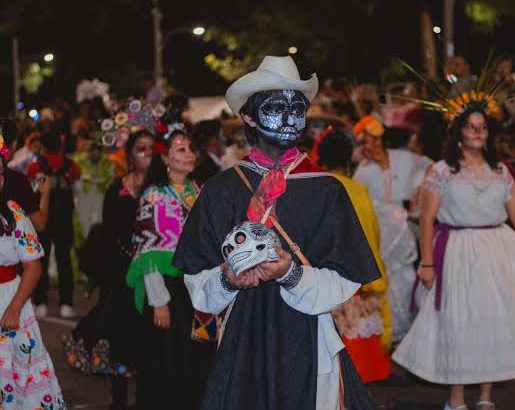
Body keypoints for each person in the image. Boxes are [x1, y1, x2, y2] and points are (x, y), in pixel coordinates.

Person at [174, 55, 379, 409]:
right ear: (249, 116)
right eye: (274, 107)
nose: (289, 118)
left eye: (297, 107)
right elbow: (196, 281)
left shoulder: (326, 189)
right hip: (243, 342)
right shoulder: (220, 190)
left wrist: (291, 273)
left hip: (309, 341)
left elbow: (345, 281)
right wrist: (228, 279)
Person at [393, 108, 515, 410]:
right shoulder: (443, 170)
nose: (477, 132)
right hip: (460, 249)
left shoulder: (500, 171)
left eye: (482, 127)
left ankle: (486, 395)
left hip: (499, 248)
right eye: (471, 127)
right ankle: (456, 397)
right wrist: (427, 262)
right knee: (460, 322)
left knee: (493, 322)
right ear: (458, 132)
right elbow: (428, 218)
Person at [63, 130, 155, 409]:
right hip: (122, 272)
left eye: (152, 149)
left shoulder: (162, 188)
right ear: (129, 155)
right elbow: (108, 232)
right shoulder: (117, 188)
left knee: (148, 337)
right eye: (141, 148)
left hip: (155, 272)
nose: (147, 154)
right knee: (118, 335)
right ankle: (118, 400)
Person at [126, 130, 214, 409]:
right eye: (180, 149)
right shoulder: (154, 196)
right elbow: (147, 250)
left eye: (190, 148)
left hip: (196, 289)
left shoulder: (197, 192)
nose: (189, 154)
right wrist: (159, 301)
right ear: (165, 158)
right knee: (166, 363)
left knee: (195, 360)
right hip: (167, 289)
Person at [315, 127, 392, 383]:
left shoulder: (312, 187)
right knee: (358, 366)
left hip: (320, 280)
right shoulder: (357, 190)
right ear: (348, 160)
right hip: (354, 281)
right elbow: (370, 234)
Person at [353, 117, 430, 342]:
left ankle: (411, 329)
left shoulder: (403, 158)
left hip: (409, 228)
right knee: (390, 277)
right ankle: (393, 330)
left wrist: (418, 191)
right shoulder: (363, 171)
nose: (370, 147)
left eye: (374, 141)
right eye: (364, 143)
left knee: (407, 276)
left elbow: (429, 167)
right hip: (383, 234)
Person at [0, 141, 65, 408]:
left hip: (9, 299)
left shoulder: (14, 214)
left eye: (0, 172)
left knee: (20, 379)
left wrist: (15, 308)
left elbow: (33, 266)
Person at [27, 131, 81, 318]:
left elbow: (33, 188)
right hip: (64, 219)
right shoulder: (71, 165)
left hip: (44, 218)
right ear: (60, 144)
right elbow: (77, 186)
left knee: (41, 260)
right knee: (64, 261)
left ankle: (40, 302)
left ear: (43, 145)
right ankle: (66, 304)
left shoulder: (35, 167)